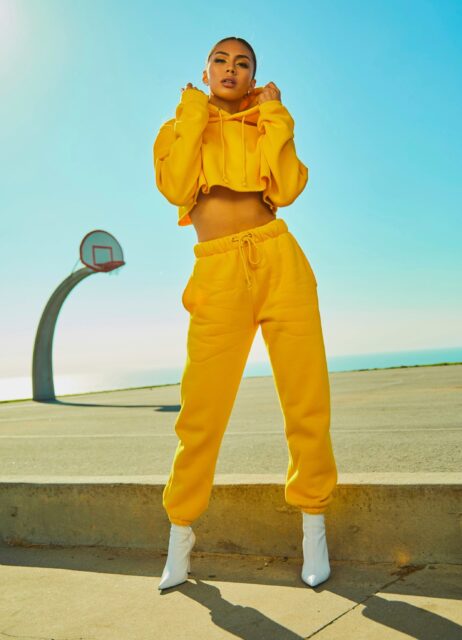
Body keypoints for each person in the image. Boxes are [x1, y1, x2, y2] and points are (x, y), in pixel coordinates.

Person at [153, 36, 338, 591]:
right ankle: (180, 535)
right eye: (221, 61)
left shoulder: (266, 123)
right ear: (205, 70)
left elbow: (287, 186)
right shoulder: (177, 127)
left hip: (280, 258)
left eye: (243, 63)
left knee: (307, 401)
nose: (231, 69)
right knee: (201, 414)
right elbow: (175, 186)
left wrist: (276, 115)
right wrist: (193, 111)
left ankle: (313, 524)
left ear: (255, 75)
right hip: (217, 274)